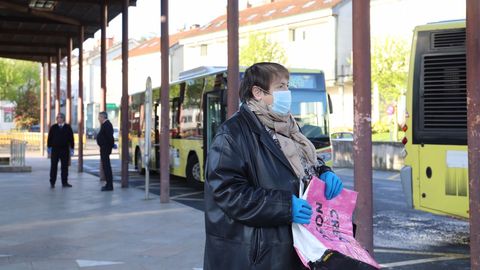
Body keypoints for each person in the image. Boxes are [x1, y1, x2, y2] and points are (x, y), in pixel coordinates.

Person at [204, 62, 344, 269]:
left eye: (287, 86)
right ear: (258, 92)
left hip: (295, 246)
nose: (287, 92)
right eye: (281, 87)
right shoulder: (232, 134)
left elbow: (303, 164)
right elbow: (227, 192)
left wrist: (323, 172)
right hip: (259, 255)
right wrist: (285, 206)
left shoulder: (288, 126)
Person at [47, 113, 74, 188]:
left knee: (64, 167)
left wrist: (72, 149)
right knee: (53, 166)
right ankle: (52, 182)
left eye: (60, 117)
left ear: (63, 119)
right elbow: (49, 139)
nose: (59, 119)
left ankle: (64, 182)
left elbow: (71, 139)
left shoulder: (68, 127)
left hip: (64, 150)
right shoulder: (53, 127)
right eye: (57, 117)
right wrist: (49, 150)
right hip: (55, 150)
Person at [96, 111, 115, 191]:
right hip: (104, 148)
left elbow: (109, 137)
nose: (98, 119)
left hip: (105, 148)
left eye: (99, 117)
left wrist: (107, 145)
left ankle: (109, 185)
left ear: (103, 117)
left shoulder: (107, 125)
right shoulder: (105, 125)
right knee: (105, 166)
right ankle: (108, 184)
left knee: (107, 167)